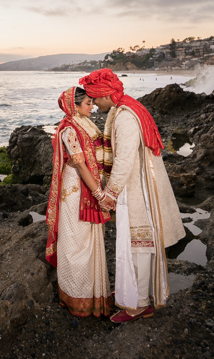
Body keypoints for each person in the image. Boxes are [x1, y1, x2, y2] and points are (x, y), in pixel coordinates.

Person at [80, 69, 185, 323]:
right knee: (136, 245)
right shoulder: (126, 107)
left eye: (95, 98)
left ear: (106, 94)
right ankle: (135, 293)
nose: (94, 103)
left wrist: (110, 193)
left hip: (137, 189)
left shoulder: (125, 117)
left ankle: (138, 304)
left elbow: (125, 159)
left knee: (137, 246)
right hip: (138, 184)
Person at [44, 86, 114, 317]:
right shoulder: (69, 130)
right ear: (74, 106)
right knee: (77, 240)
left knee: (86, 238)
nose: (92, 107)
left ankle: (91, 293)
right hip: (76, 190)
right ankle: (78, 295)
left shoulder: (82, 125)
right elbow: (80, 163)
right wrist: (99, 194)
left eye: (93, 103)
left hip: (83, 183)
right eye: (88, 104)